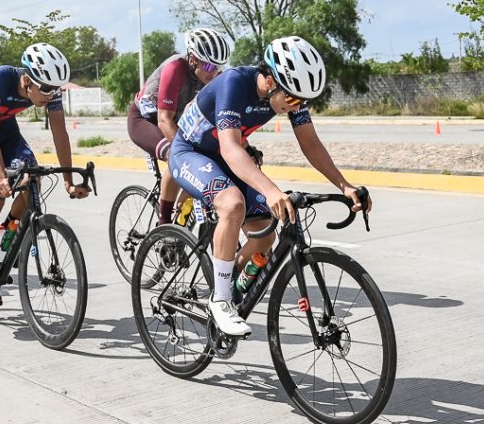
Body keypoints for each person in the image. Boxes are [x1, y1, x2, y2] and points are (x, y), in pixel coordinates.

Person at [168, 35, 369, 337]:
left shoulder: (288, 95)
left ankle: (228, 281)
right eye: (293, 98)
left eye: (302, 101)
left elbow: (310, 143)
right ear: (272, 80)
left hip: (225, 155)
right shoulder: (234, 83)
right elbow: (230, 149)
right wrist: (272, 191)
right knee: (232, 204)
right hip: (191, 152)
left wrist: (345, 186)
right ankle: (219, 301)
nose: (296, 105)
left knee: (265, 235)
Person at [0, 42, 88, 304]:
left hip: (7, 132)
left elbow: (60, 133)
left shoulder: (49, 91)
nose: (52, 94)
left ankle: (7, 233)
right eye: (47, 89)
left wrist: (68, 181)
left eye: (57, 89)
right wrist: (1, 179)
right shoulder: (0, 78)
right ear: (27, 81)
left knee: (33, 180)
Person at [126, 27, 233, 224]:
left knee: (203, 158)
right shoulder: (175, 68)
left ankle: (182, 216)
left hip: (172, 121)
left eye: (218, 67)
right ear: (192, 59)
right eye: (209, 66)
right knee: (177, 156)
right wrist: (187, 153)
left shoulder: (212, 77)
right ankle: (164, 223)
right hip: (144, 120)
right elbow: (164, 120)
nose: (214, 72)